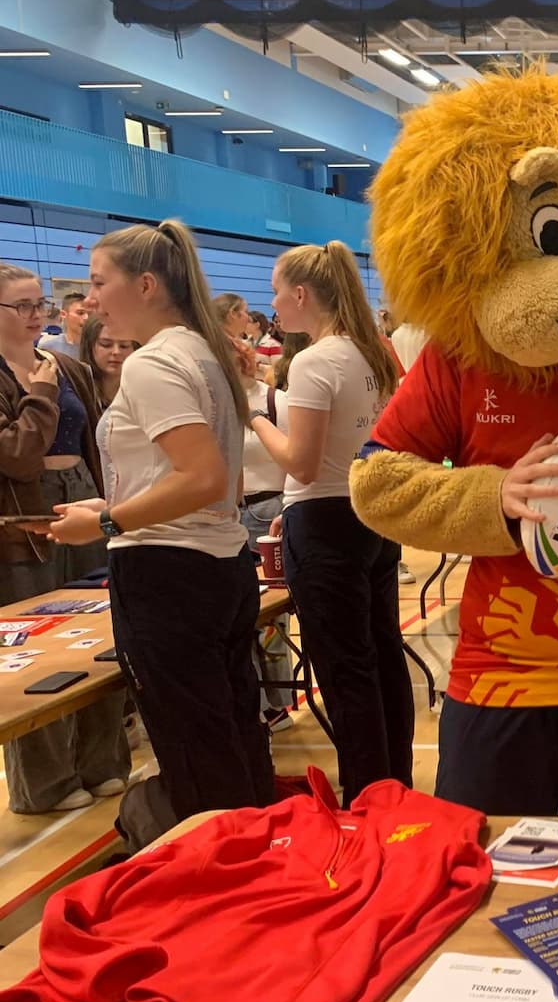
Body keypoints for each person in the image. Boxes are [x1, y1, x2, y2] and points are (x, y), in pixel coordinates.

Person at [43, 219, 272, 835]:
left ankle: (225, 885)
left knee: (196, 749)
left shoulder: (156, 364)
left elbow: (200, 476)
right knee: (231, 732)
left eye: (98, 282)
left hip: (170, 572)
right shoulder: (202, 350)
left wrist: (106, 518)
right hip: (217, 565)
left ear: (146, 285)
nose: (88, 299)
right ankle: (255, 868)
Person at [248, 241, 412, 804]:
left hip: (323, 518)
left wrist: (256, 416)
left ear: (300, 294)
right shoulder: (377, 350)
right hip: (372, 512)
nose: (272, 303)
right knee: (383, 654)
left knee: (347, 668)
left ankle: (367, 792)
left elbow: (301, 460)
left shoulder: (316, 360)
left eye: (275, 291)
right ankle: (396, 785)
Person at [0, 265, 130, 812]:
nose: (37, 316)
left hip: (82, 497)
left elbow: (97, 444)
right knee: (36, 649)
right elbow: (16, 458)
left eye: (40, 306)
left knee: (99, 632)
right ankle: (45, 784)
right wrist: (38, 397)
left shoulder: (67, 366)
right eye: (23, 307)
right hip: (20, 522)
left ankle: (103, 761)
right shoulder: (40, 379)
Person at [235, 335, 294, 732]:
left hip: (270, 509)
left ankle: (279, 701)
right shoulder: (212, 407)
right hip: (230, 514)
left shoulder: (276, 402)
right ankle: (255, 703)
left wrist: (289, 510)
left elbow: (297, 457)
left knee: (273, 619)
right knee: (239, 616)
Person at [81, 315, 137, 407]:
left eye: (124, 345)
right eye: (106, 344)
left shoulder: (143, 390)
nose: (116, 352)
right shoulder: (74, 390)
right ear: (89, 347)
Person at [35, 292, 87, 360]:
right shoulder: (48, 347)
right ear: (63, 314)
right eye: (80, 313)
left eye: (89, 313)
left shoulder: (97, 348)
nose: (86, 317)